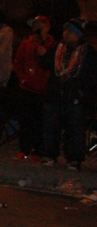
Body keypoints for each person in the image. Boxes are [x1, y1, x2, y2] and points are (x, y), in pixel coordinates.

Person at [38, 18, 97, 171]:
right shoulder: (58, 48)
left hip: (75, 96)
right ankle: (49, 155)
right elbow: (46, 65)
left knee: (75, 129)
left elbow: (93, 75)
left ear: (77, 34)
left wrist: (82, 91)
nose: (66, 34)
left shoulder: (88, 52)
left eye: (70, 31)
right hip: (55, 94)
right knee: (51, 127)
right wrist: (43, 55)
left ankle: (74, 159)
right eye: (65, 30)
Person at [12, 16, 55, 162]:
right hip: (27, 88)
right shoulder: (26, 44)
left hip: (43, 89)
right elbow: (18, 63)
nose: (37, 27)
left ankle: (38, 150)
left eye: (41, 24)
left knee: (40, 121)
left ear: (47, 27)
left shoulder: (53, 46)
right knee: (25, 120)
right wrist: (23, 78)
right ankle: (24, 148)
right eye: (35, 24)